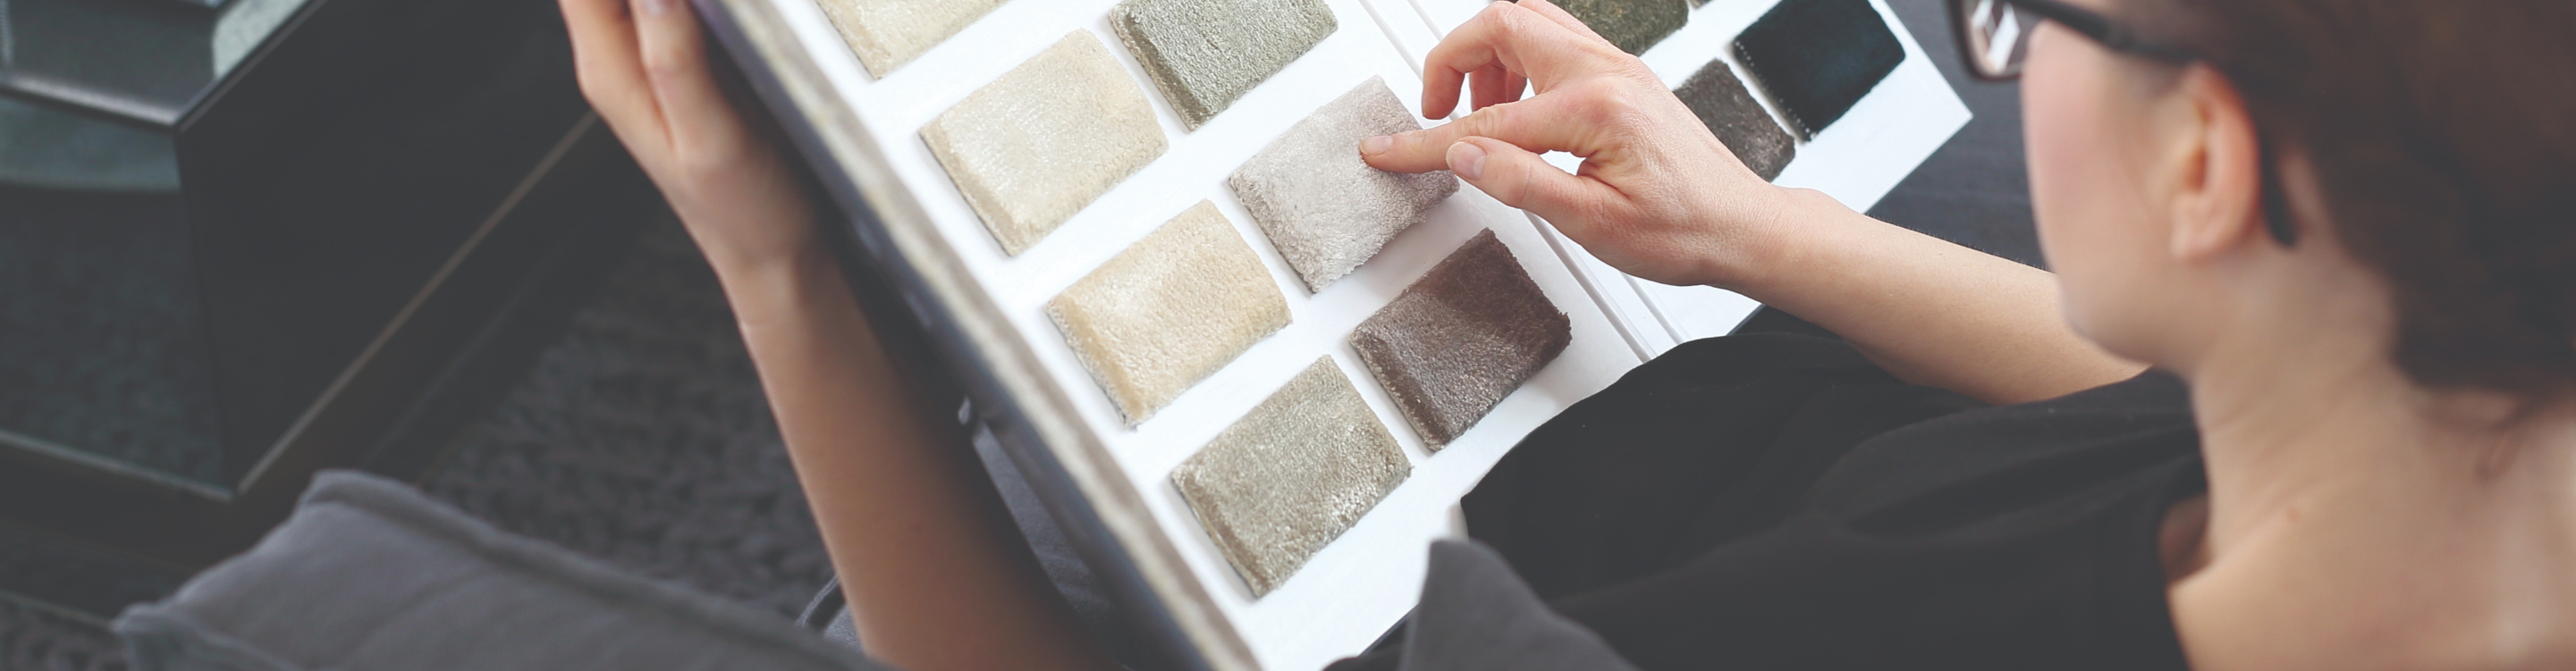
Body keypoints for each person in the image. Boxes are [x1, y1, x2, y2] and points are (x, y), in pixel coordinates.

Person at [556, 0, 2576, 667]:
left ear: (2211, 165)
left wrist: (779, 267)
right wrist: (1759, 230)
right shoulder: (2483, 502)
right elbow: (2175, 408)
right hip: (1696, 415)